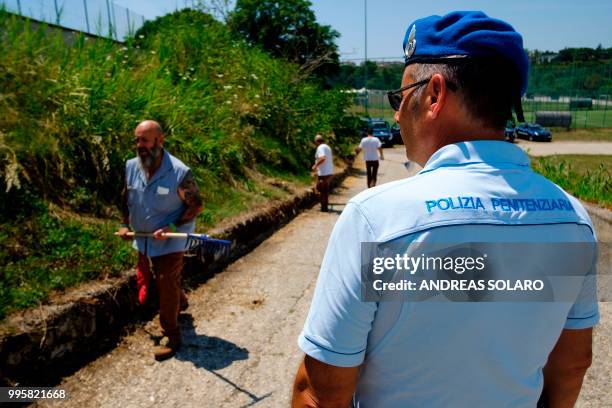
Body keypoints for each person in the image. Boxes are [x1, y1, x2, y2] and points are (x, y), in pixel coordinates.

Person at [293, 11, 598, 407]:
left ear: (434, 94)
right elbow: (574, 363)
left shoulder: (376, 219)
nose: (398, 113)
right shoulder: (571, 219)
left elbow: (320, 392)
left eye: (401, 97)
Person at [117, 120, 203, 361]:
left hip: (171, 239)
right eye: (137, 140)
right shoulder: (131, 166)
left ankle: (172, 335)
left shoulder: (178, 171)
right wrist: (125, 224)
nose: (139, 145)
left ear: (160, 140)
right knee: (166, 281)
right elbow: (126, 199)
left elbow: (196, 205)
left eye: (144, 140)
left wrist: (172, 226)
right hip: (144, 239)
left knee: (165, 282)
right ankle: (180, 300)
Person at [312, 134, 333, 212]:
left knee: (320, 189)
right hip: (328, 171)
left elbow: (322, 158)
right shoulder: (327, 147)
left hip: (323, 172)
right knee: (325, 190)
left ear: (316, 141)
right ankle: (324, 207)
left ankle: (323, 207)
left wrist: (315, 165)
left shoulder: (320, 147)